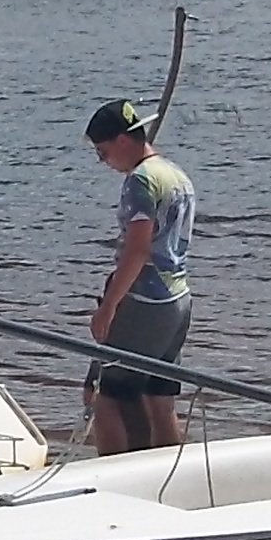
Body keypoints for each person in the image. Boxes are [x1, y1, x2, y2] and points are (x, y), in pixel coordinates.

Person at [82, 97, 193, 455]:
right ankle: (169, 469)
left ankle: (116, 472)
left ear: (122, 140)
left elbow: (138, 249)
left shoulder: (140, 182)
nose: (103, 161)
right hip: (178, 300)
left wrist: (109, 306)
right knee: (158, 396)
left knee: (104, 394)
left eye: (103, 152)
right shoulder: (177, 176)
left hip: (144, 301)